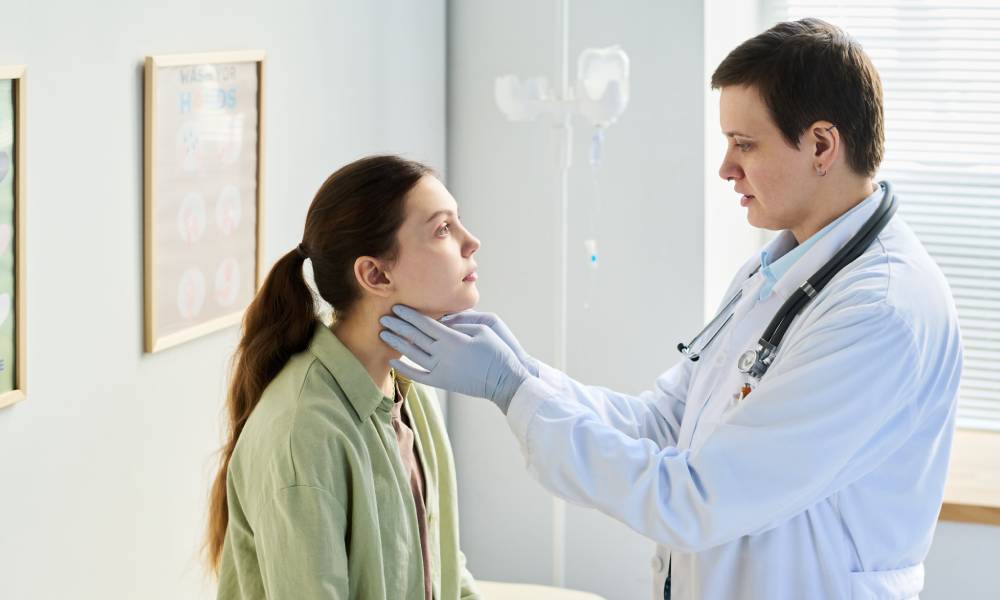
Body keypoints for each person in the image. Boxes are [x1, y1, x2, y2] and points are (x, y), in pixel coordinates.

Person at [379, 19, 962, 600]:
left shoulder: (880, 312)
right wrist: (526, 373)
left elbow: (695, 500)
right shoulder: (775, 274)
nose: (726, 167)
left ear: (820, 145)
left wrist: (510, 390)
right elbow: (662, 424)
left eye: (745, 144)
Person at [206, 155, 483, 600]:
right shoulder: (304, 435)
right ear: (375, 273)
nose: (472, 243)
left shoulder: (409, 389)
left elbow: (446, 569)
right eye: (443, 229)